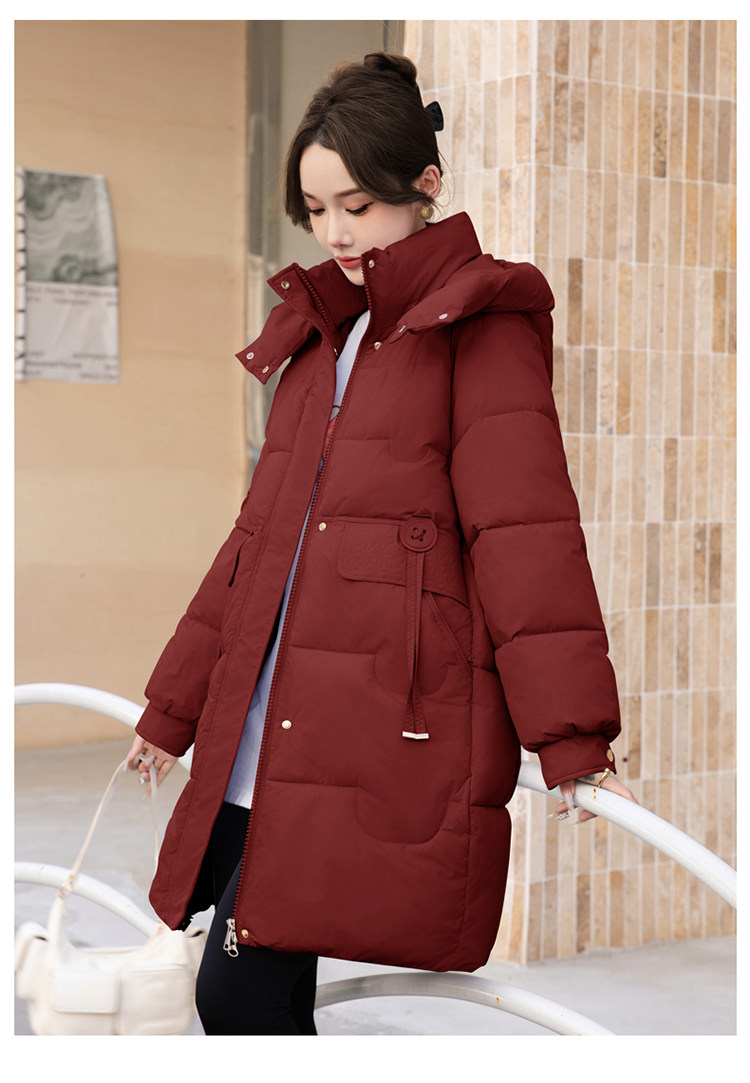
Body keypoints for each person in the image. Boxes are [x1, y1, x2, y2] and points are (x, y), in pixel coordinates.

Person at [127, 51, 637, 1036]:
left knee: (236, 994)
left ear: (425, 184)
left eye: (357, 206)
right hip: (259, 730)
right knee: (252, 992)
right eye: (318, 211)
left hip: (367, 726)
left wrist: (572, 735)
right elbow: (253, 545)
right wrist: (173, 706)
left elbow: (524, 538)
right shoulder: (319, 333)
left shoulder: (479, 327)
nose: (336, 233)